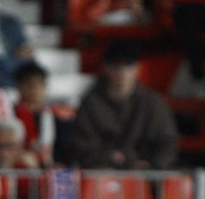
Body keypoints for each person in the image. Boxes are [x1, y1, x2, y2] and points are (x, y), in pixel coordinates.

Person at [71, 41, 179, 170]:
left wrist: (151, 165)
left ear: (137, 68)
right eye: (116, 66)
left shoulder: (153, 103)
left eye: (128, 66)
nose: (122, 72)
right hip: (102, 174)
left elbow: (167, 144)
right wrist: (109, 158)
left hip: (147, 176)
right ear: (105, 68)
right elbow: (82, 146)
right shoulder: (90, 103)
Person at [14, 61, 68, 166]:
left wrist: (59, 164)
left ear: (45, 86)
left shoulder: (58, 117)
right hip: (23, 169)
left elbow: (64, 149)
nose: (34, 88)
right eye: (28, 84)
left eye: (38, 84)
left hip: (53, 167)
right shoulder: (11, 115)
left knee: (67, 176)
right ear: (19, 87)